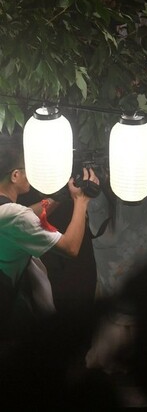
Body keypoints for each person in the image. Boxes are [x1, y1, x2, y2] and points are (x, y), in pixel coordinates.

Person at [1, 135, 97, 328]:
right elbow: (70, 248)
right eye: (27, 168)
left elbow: (25, 217)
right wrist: (81, 201)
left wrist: (59, 197)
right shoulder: (15, 215)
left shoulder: (8, 212)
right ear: (15, 176)